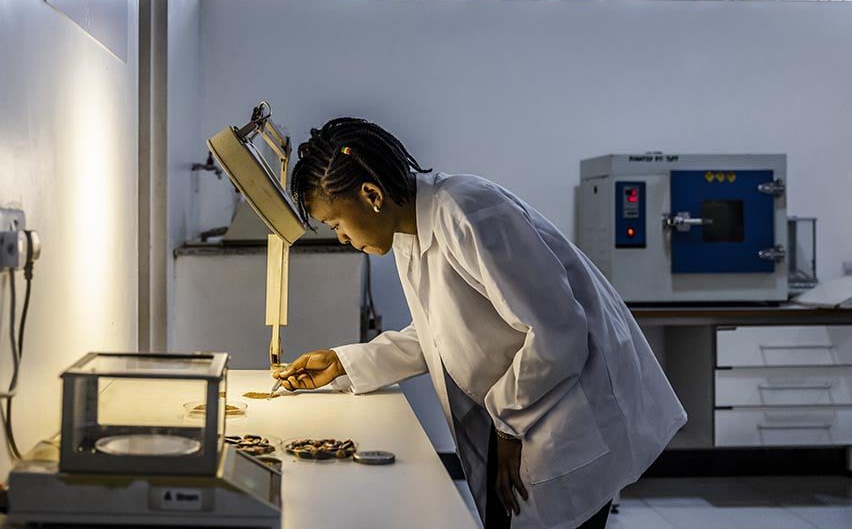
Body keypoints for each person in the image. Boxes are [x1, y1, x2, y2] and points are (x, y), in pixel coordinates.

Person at [274, 117, 687, 529]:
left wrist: (508, 425)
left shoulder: (467, 211)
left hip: (569, 408)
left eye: (336, 223)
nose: (341, 238)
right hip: (528, 405)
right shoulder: (409, 229)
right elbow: (440, 332)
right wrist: (346, 363)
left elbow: (557, 332)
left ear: (371, 195)